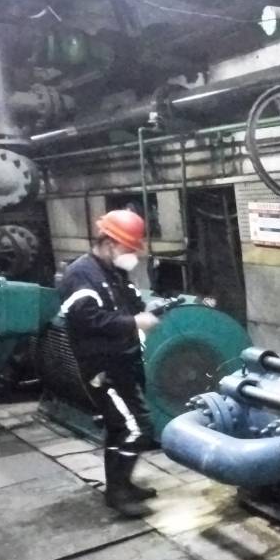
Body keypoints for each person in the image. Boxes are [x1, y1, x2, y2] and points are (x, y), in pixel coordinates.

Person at [58, 209, 160, 517]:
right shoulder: (81, 274)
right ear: (109, 243)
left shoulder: (113, 272)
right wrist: (134, 323)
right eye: (129, 248)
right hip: (101, 368)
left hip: (122, 363)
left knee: (119, 428)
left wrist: (150, 309)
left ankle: (121, 485)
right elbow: (86, 318)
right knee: (138, 428)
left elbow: (130, 303)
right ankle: (117, 495)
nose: (132, 255)